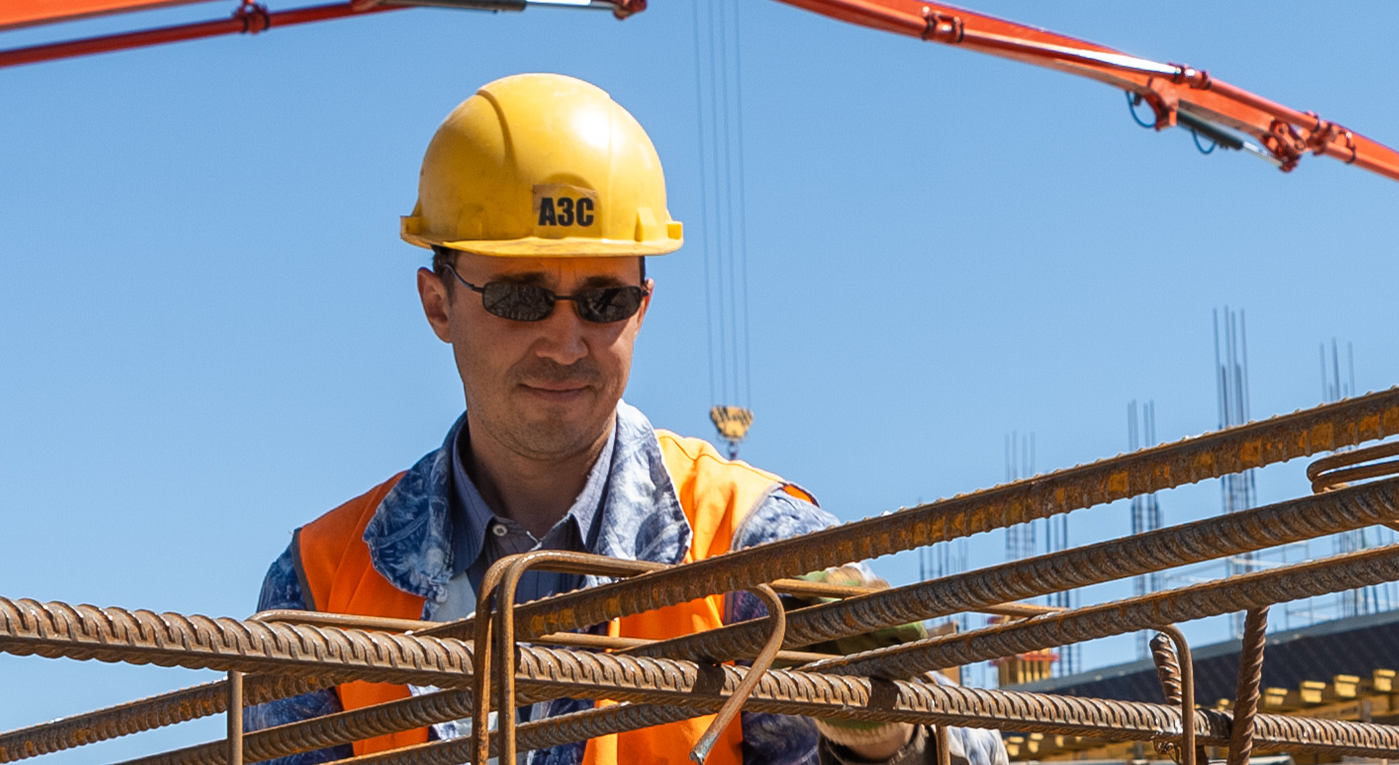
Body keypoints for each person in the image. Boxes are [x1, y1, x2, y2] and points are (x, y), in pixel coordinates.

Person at [246, 73, 1001, 765]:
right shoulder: (326, 579)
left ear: (644, 306)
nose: (566, 341)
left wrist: (887, 742)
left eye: (605, 300)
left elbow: (971, 748)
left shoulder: (749, 548)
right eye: (521, 296)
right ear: (438, 304)